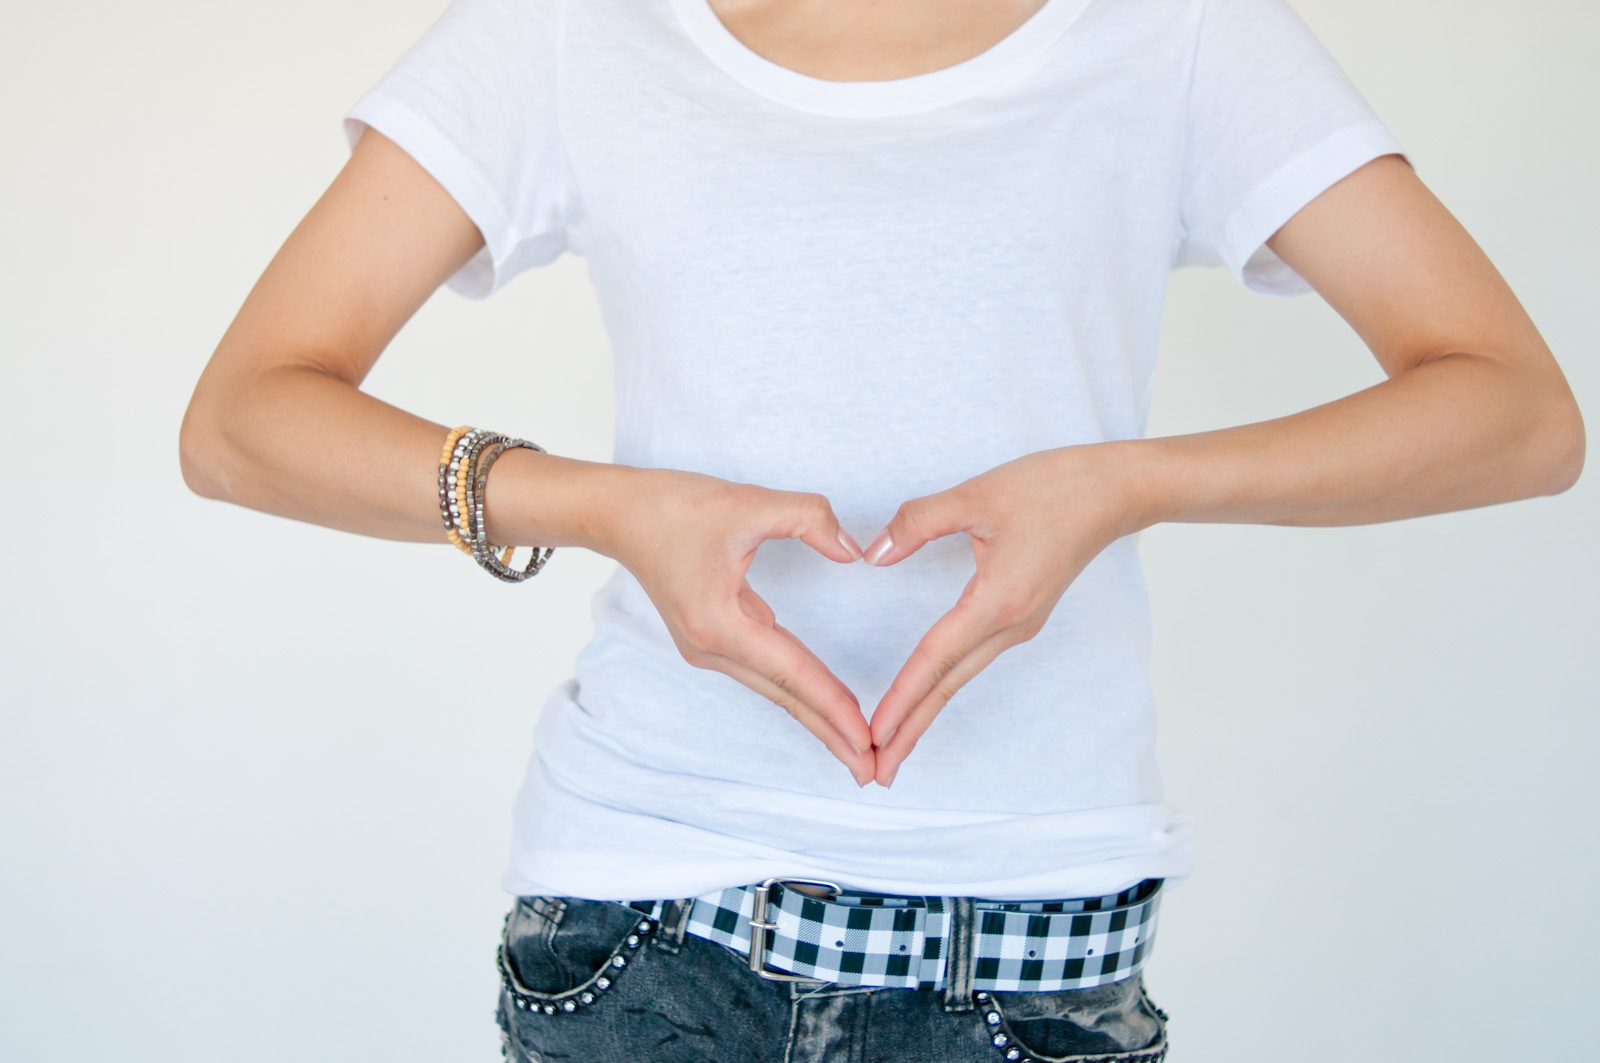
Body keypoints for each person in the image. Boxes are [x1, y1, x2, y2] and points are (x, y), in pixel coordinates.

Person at [178, 0, 1584, 1059]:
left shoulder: (1178, 30)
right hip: (642, 920)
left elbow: (1516, 414)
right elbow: (244, 420)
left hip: (1030, 936)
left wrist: (1121, 483)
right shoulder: (572, 28)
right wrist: (608, 507)